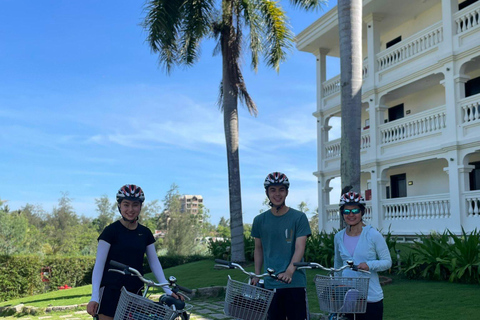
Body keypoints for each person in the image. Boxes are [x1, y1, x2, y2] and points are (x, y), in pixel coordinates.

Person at [86, 184, 181, 320]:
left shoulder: (145, 233)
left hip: (134, 292)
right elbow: (99, 265)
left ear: (140, 206)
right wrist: (94, 296)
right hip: (110, 291)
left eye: (135, 205)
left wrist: (167, 289)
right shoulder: (110, 231)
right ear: (119, 206)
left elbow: (154, 263)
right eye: (126, 205)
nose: (130, 209)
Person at [251, 172, 312, 320]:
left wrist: (289, 272)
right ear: (267, 192)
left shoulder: (299, 217)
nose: (277, 194)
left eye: (281, 190)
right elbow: (258, 249)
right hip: (271, 284)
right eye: (273, 190)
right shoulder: (259, 220)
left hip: (294, 282)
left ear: (287, 192)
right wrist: (257, 274)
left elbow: (299, 247)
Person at [334, 191, 392, 320]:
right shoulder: (338, 237)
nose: (351, 215)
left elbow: (387, 261)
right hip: (347, 296)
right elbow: (338, 264)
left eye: (355, 210)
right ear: (342, 213)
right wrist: (336, 287)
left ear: (362, 212)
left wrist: (369, 265)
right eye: (346, 211)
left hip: (370, 297)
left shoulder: (373, 235)